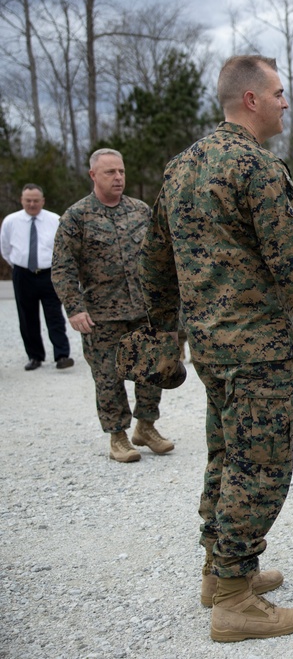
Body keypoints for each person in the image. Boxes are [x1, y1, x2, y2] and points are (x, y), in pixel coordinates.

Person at [139, 55, 293, 643]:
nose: (286, 102)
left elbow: (156, 264)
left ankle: (221, 569)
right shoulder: (257, 167)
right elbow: (292, 263)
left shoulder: (181, 168)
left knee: (227, 456)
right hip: (255, 347)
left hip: (209, 344)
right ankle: (232, 598)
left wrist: (166, 334)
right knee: (262, 467)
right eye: (279, 93)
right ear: (251, 99)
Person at [52, 149, 173, 463]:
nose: (118, 177)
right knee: (108, 377)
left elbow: (159, 257)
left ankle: (146, 427)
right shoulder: (76, 217)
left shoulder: (140, 211)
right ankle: (118, 436)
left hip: (143, 310)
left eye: (121, 171)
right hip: (102, 315)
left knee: (153, 371)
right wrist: (74, 308)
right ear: (93, 175)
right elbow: (62, 267)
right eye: (110, 173)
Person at [1, 184, 73, 371]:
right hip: (23, 274)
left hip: (48, 274)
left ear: (43, 201)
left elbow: (62, 248)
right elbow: (5, 249)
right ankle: (35, 356)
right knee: (27, 317)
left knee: (54, 315)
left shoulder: (54, 220)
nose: (32, 204)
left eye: (35, 200)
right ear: (21, 200)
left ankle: (62, 355)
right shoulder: (11, 221)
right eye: (28, 200)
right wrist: (19, 265)